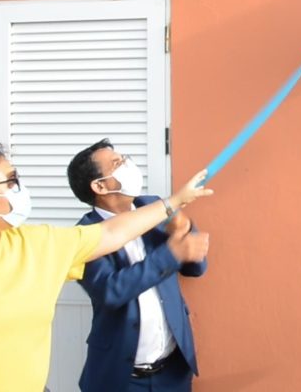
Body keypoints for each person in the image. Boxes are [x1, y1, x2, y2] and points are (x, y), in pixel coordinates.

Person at [0, 143, 212, 392]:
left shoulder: (38, 244)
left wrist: (173, 203)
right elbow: (111, 290)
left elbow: (112, 233)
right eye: (11, 181)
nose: (20, 189)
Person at [68, 139, 209, 392]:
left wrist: (185, 228)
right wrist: (171, 254)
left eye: (124, 158)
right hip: (120, 379)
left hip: (172, 373)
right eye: (117, 163)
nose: (128, 164)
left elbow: (196, 268)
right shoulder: (85, 234)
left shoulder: (154, 207)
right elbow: (111, 291)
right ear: (100, 186)